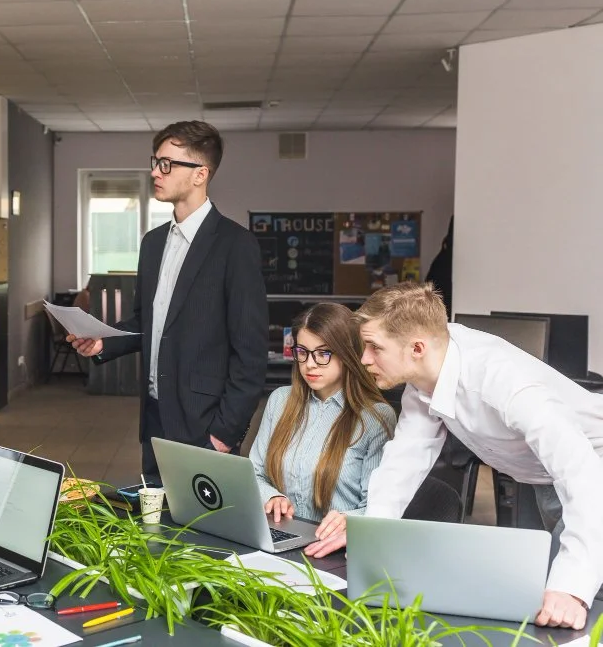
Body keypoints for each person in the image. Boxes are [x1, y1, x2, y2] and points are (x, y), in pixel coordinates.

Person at [310, 281, 603, 630]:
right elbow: (405, 459)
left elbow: (583, 476)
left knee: (575, 598)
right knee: (537, 597)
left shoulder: (504, 384)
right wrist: (372, 533)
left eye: (374, 347)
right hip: (539, 474)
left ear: (416, 347)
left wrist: (572, 589)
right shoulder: (428, 369)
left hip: (592, 467)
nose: (364, 359)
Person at [69, 121, 268, 483]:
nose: (154, 172)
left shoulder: (236, 246)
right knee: (155, 529)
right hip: (155, 419)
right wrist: (102, 342)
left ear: (200, 174)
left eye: (166, 164)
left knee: (204, 537)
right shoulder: (153, 242)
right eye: (155, 162)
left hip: (206, 424)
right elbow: (145, 323)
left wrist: (225, 433)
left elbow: (251, 354)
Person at [249, 303, 395, 558]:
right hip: (280, 538)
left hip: (336, 549)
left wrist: (347, 519)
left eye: (323, 353)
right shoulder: (280, 401)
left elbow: (378, 506)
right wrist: (271, 497)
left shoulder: (375, 418)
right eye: (302, 352)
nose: (310, 364)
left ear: (348, 354)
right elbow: (254, 473)